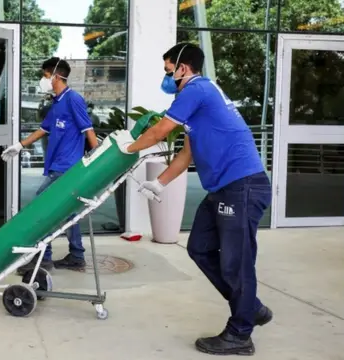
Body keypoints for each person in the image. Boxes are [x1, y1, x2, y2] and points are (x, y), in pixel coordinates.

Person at [111, 43, 272, 356]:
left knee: (235, 265)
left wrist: (123, 150)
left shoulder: (197, 89)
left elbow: (159, 132)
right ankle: (250, 307)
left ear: (183, 68)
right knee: (199, 247)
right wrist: (159, 183)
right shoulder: (198, 98)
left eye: (168, 70)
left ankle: (241, 333)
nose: (167, 77)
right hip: (224, 188)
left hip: (242, 186)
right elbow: (186, 153)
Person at [1, 57, 99, 274]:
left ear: (55, 76)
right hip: (57, 166)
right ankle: (76, 256)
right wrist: (19, 145)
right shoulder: (56, 102)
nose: (42, 80)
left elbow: (88, 129)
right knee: (69, 213)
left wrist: (97, 161)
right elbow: (44, 129)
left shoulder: (73, 99)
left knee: (43, 210)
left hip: (66, 169)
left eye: (45, 75)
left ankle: (43, 258)